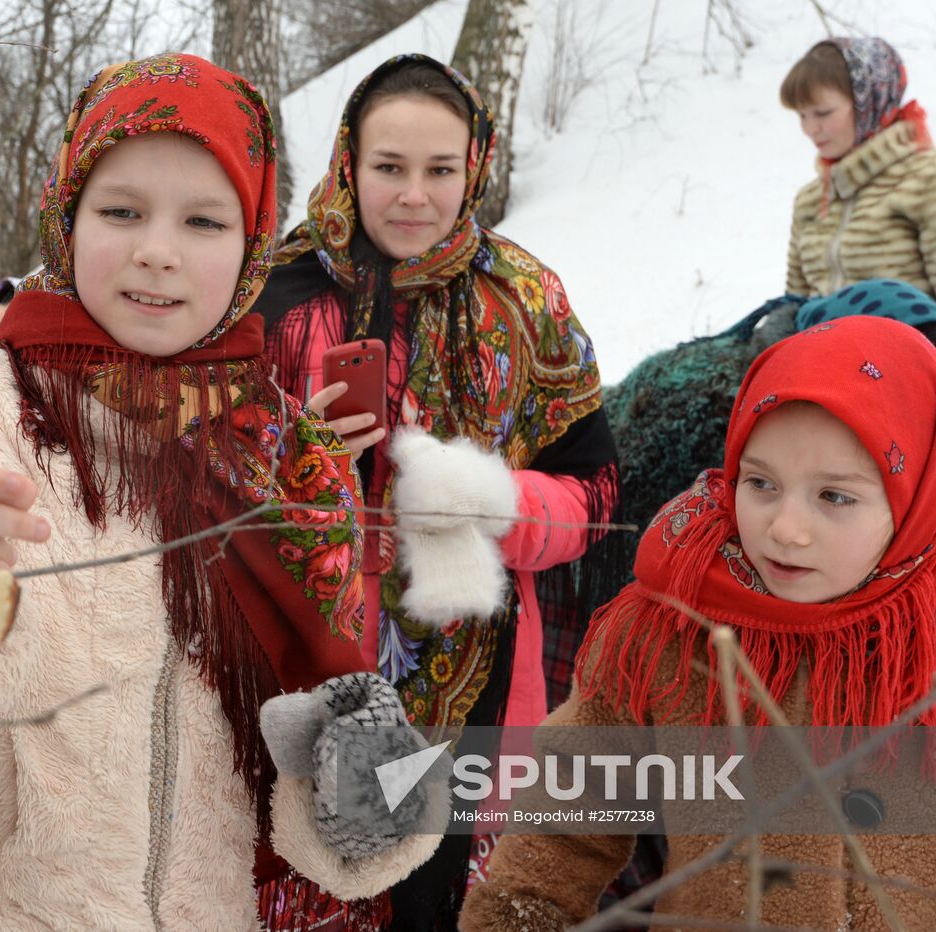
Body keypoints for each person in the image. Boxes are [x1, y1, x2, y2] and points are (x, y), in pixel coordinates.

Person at [0, 53, 442, 928]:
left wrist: (367, 756)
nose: (157, 252)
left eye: (205, 221)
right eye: (121, 210)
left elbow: (347, 848)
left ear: (252, 245)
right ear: (67, 216)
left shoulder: (285, 466)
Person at [459, 316, 936, 930]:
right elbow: (573, 800)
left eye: (834, 497)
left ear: (917, 492)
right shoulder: (673, 625)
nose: (786, 528)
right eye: (760, 483)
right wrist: (523, 914)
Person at [256, 54, 616, 925]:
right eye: (389, 168)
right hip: (294, 668)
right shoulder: (271, 294)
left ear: (475, 167)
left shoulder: (526, 301)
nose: (414, 196)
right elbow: (196, 477)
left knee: (432, 903)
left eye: (440, 170)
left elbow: (598, 492)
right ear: (348, 163)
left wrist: (500, 506)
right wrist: (295, 456)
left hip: (477, 685)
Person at [782, 37, 936, 390]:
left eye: (823, 113)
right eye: (802, 115)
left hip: (905, 388)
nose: (809, 129)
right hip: (823, 395)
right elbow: (794, 309)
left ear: (868, 103)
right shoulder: (811, 199)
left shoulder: (932, 176)